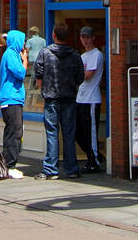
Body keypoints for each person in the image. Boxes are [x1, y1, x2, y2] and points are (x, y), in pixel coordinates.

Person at [33, 23, 84, 181]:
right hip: (69, 98)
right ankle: (71, 168)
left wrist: (43, 90)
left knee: (52, 133)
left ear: (54, 35)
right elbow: (80, 77)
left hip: (51, 98)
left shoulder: (45, 53)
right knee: (69, 134)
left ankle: (51, 170)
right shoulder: (74, 55)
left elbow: (38, 74)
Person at [0, 29, 27, 179]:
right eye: (22, 40)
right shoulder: (10, 54)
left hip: (13, 99)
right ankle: (10, 165)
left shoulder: (11, 54)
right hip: (11, 99)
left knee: (14, 132)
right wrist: (26, 61)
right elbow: (21, 73)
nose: (24, 43)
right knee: (14, 133)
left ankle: (9, 163)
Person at [75, 27, 105, 172]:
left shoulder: (96, 55)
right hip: (81, 98)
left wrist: (75, 75)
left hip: (91, 98)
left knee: (90, 132)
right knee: (77, 131)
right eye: (82, 37)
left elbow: (88, 75)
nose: (85, 40)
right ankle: (95, 155)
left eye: (87, 37)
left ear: (93, 38)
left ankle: (93, 161)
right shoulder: (83, 56)